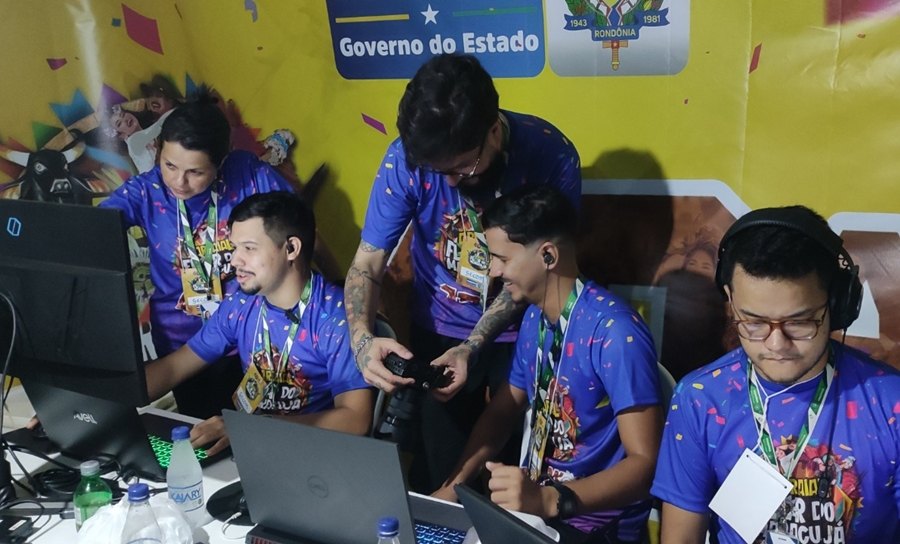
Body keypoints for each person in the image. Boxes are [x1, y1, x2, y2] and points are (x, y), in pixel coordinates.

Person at [345, 53, 582, 492]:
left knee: (515, 479)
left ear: (493, 130)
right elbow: (367, 262)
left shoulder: (550, 155)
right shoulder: (406, 160)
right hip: (437, 332)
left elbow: (541, 276)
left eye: (463, 167)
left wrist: (473, 346)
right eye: (440, 172)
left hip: (525, 335)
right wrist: (360, 339)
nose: (451, 182)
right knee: (444, 472)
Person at [651, 205, 900, 543]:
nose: (776, 344)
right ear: (730, 300)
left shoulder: (891, 403)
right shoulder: (699, 399)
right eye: (753, 322)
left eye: (799, 322)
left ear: (838, 303)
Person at [433, 185, 663, 544]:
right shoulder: (533, 319)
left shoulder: (614, 332)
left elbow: (645, 464)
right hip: (539, 513)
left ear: (548, 256)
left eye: (502, 258)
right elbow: (503, 411)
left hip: (596, 527)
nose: (493, 270)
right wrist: (453, 486)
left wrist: (550, 500)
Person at [100, 88, 296, 419]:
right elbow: (93, 230)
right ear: (157, 150)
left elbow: (297, 230)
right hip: (181, 348)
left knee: (260, 431)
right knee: (202, 432)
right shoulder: (146, 191)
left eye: (195, 172)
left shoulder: (248, 174)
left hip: (252, 340)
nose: (179, 181)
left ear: (221, 162)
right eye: (169, 165)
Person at [144, 191, 373, 454]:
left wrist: (249, 429)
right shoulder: (241, 303)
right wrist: (114, 395)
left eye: (249, 248)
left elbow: (356, 419)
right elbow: (175, 366)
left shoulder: (336, 317)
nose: (234, 260)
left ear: (291, 249)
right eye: (235, 248)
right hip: (255, 446)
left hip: (316, 455)